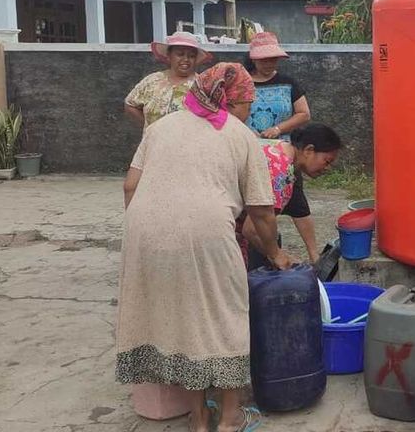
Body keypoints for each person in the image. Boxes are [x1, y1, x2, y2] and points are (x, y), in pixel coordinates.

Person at [118, 62, 292, 432]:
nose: (250, 109)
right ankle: (229, 420)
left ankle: (199, 420)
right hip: (205, 231)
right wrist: (276, 254)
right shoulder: (240, 135)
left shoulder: (159, 127)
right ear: (231, 101)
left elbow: (129, 186)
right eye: (248, 101)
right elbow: (261, 211)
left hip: (143, 231)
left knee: (185, 322)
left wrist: (151, 228)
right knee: (226, 318)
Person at [242, 31, 320, 263]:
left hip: (284, 156)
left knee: (296, 201)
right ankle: (267, 250)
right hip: (250, 155)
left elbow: (304, 114)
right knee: (257, 205)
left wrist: (278, 129)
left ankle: (314, 255)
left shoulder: (288, 83)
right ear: (253, 59)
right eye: (264, 59)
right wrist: (246, 132)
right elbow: (228, 114)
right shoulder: (241, 83)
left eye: (273, 59)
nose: (269, 63)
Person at [239, 123, 341, 269]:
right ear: (309, 150)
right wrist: (278, 256)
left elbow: (299, 211)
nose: (328, 168)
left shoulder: (279, 148)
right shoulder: (280, 171)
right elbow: (252, 229)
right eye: (327, 161)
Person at [124, 31, 213, 129]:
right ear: (169, 56)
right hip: (155, 143)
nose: (186, 59)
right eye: (180, 54)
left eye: (191, 56)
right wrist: (150, 127)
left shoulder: (203, 86)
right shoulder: (152, 81)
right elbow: (130, 104)